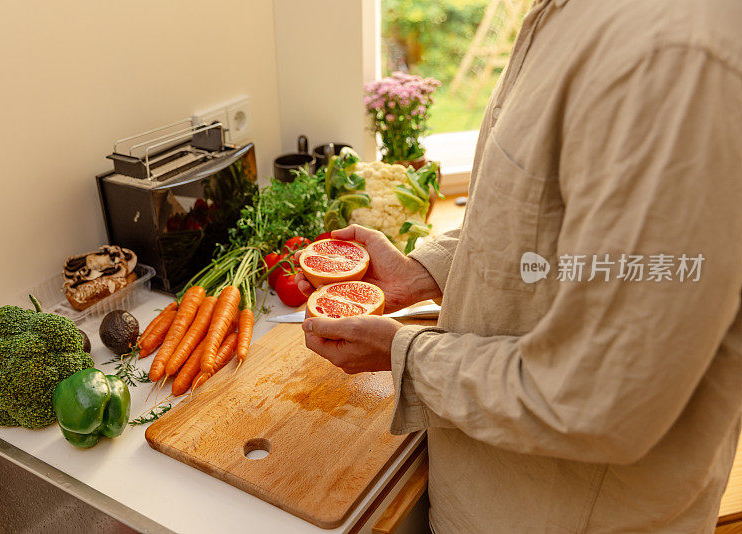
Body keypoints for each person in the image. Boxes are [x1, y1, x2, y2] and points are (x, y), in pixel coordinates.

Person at [296, 0, 742, 532]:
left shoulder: (671, 64)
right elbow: (551, 221)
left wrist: (405, 356)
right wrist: (424, 272)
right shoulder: (565, 14)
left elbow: (598, 397)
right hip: (485, 497)